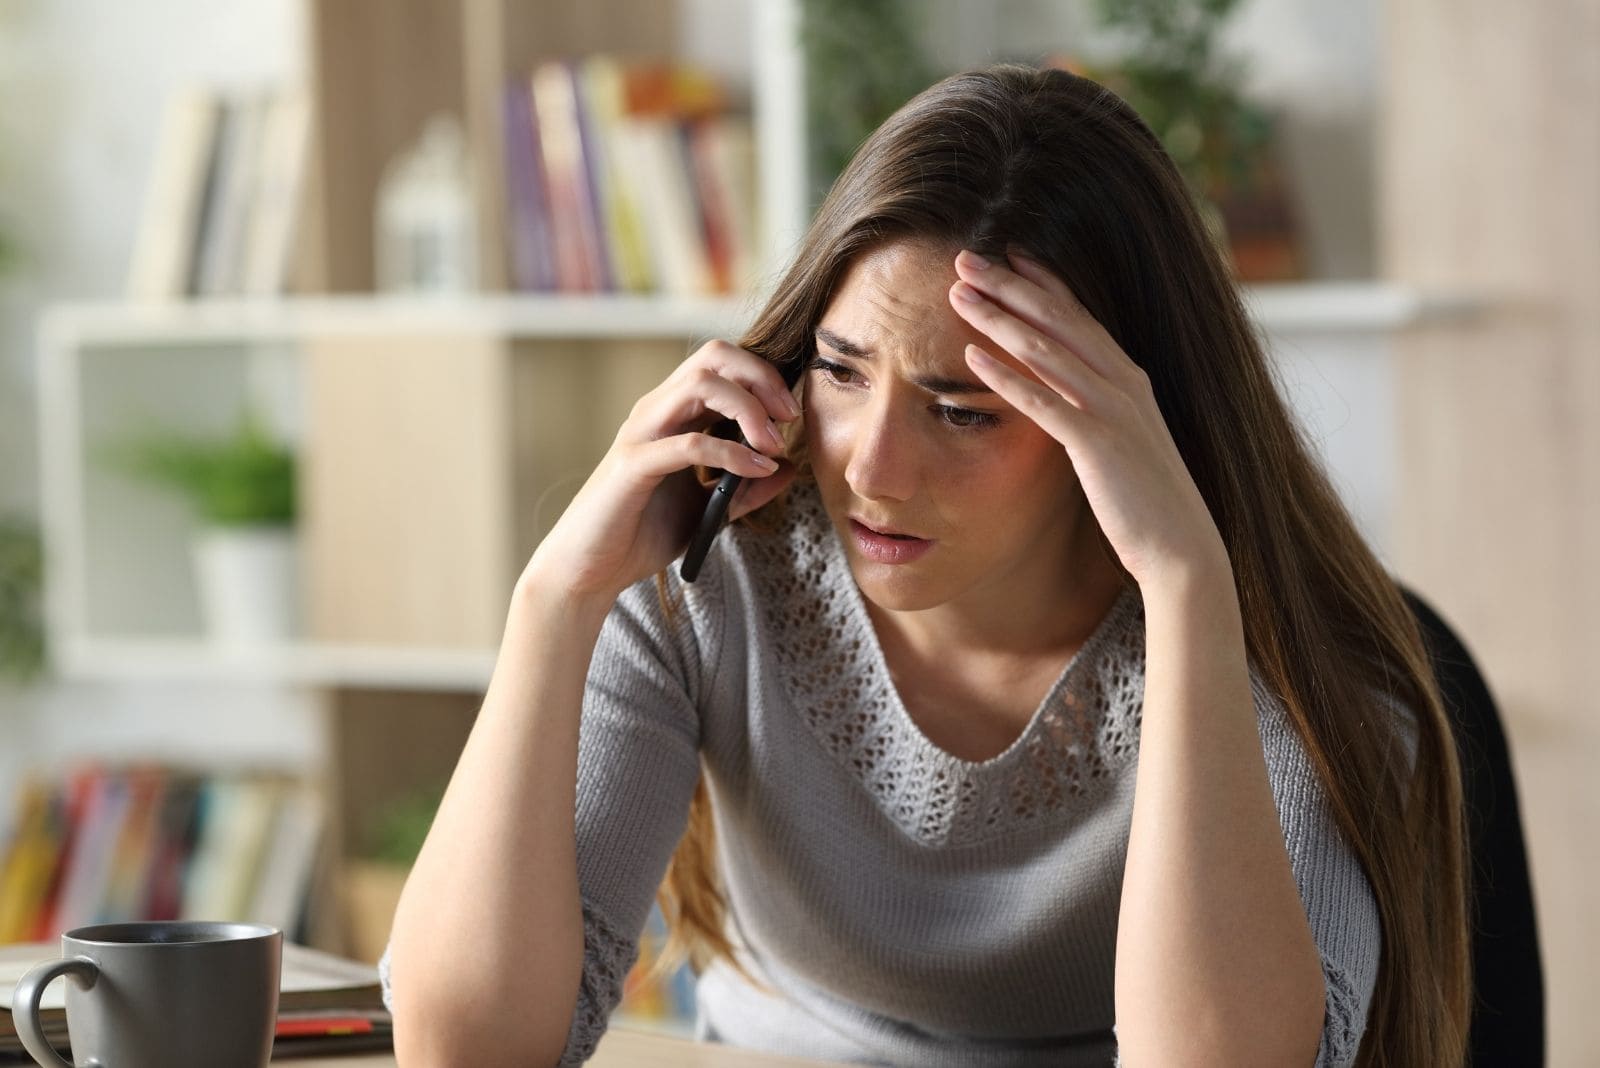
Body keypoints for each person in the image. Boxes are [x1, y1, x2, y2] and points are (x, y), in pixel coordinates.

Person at [382, 65, 1469, 1067]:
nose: (874, 471)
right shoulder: (708, 573)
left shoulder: (1283, 662)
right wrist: (553, 601)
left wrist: (1187, 588)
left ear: (1128, 424)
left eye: (963, 410)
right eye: (843, 373)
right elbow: (465, 1050)